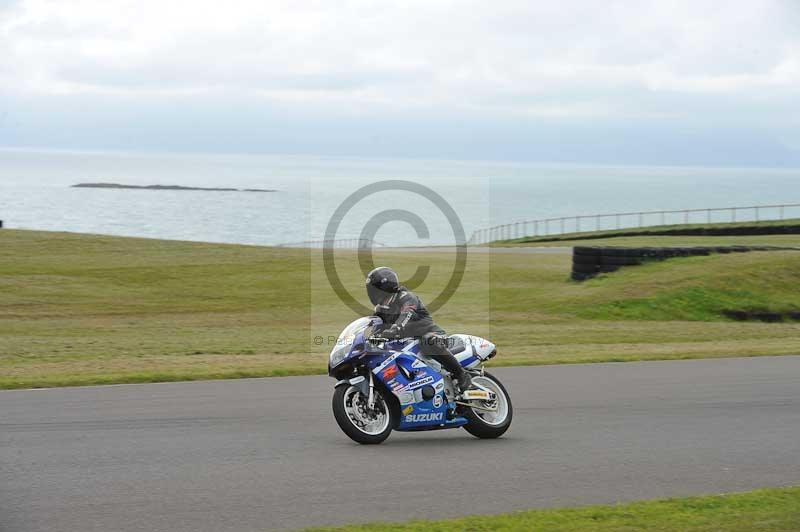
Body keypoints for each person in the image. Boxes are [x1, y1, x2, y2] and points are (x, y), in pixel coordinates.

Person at [365, 266, 473, 392]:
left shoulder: (406, 297)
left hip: (431, 334)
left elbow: (407, 314)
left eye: (375, 288)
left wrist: (396, 328)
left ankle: (462, 375)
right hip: (406, 343)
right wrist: (368, 338)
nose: (372, 292)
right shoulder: (380, 309)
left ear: (385, 286)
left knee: (428, 341)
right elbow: (375, 326)